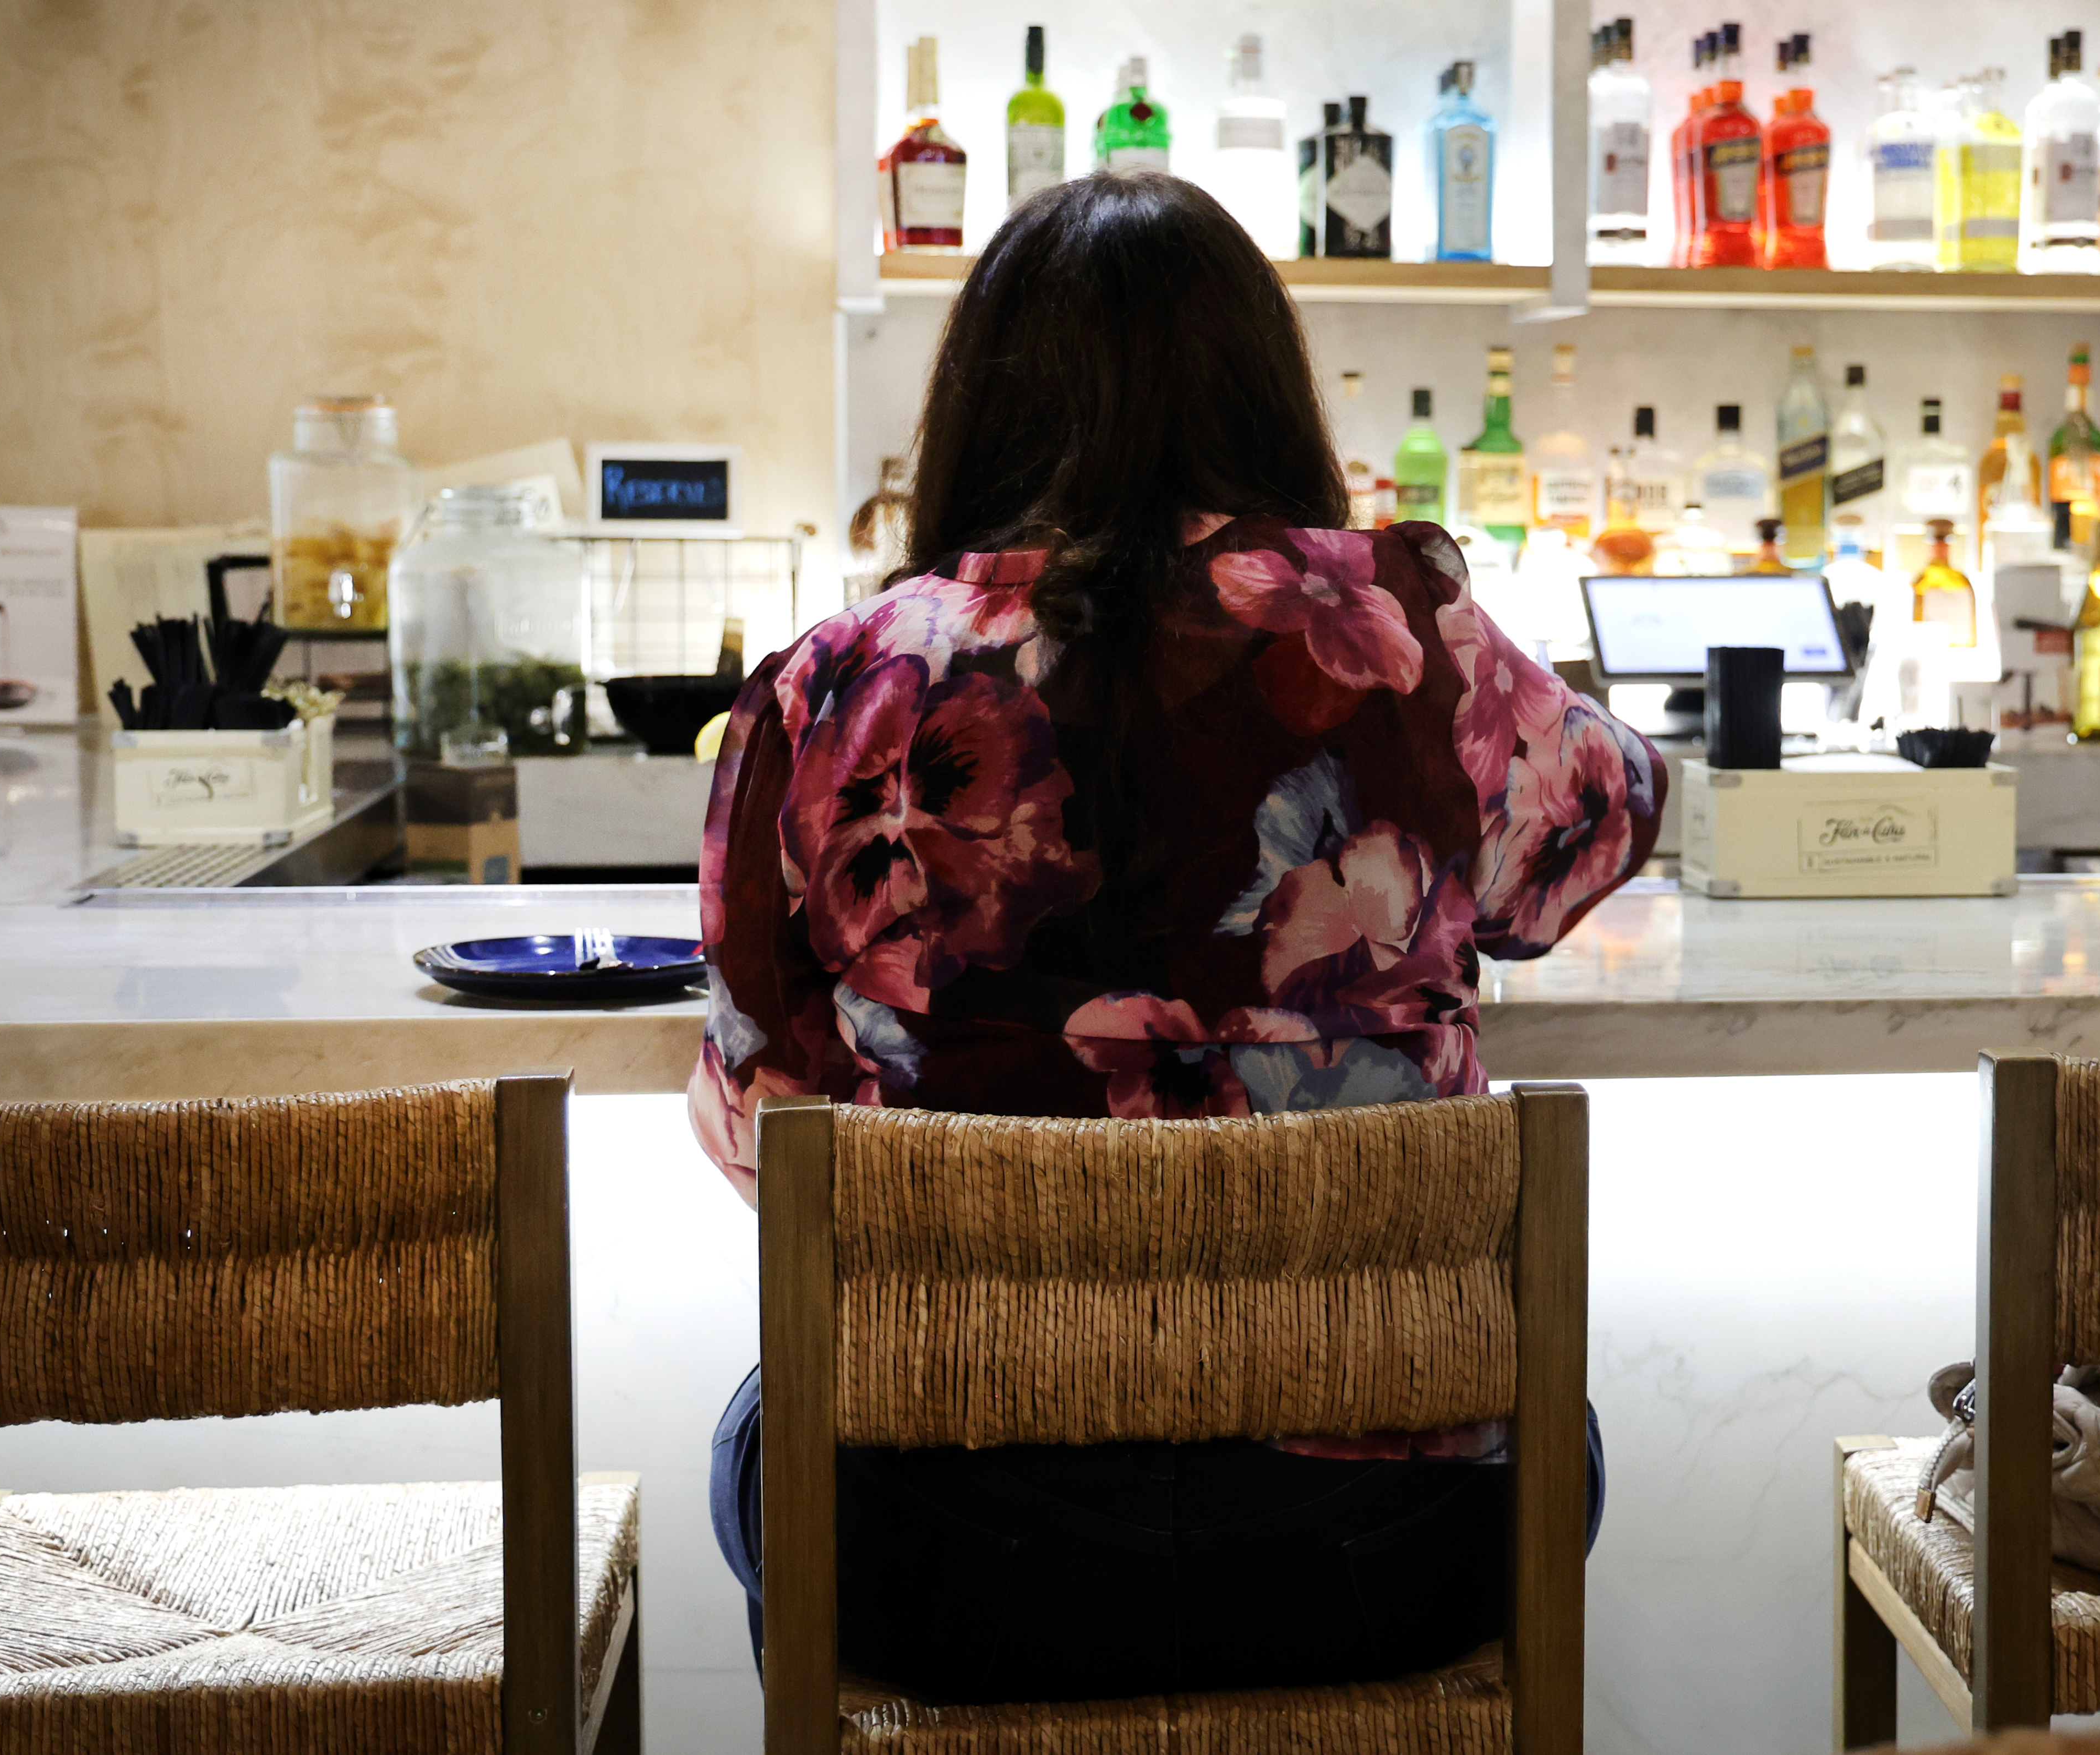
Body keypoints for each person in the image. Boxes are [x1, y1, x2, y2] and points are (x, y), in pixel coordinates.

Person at [690, 171, 1663, 1706]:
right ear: (1266, 394)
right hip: (1378, 1548)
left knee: (770, 1428)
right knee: (1554, 1421)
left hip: (955, 1558)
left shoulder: (836, 682)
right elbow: (1585, 843)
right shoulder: (1408, 633)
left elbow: (761, 1124)